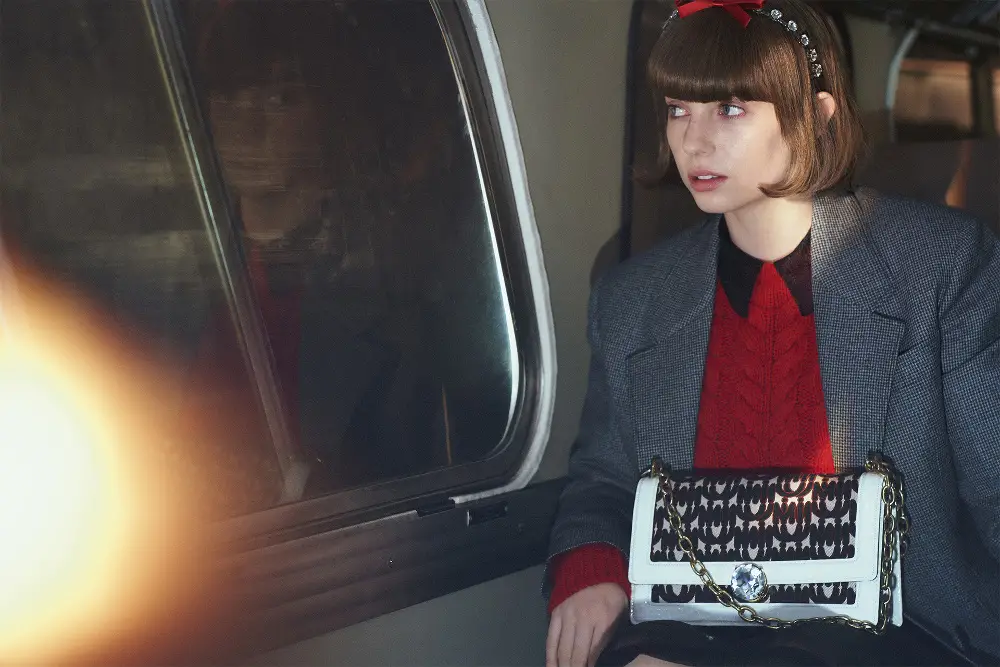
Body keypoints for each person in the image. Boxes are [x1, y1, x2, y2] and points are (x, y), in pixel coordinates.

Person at [544, 1, 1000, 666]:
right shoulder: (633, 298)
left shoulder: (939, 265)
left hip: (893, 626)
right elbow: (603, 478)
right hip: (693, 615)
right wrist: (592, 568)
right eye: (678, 109)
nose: (694, 142)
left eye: (730, 109)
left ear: (816, 115)